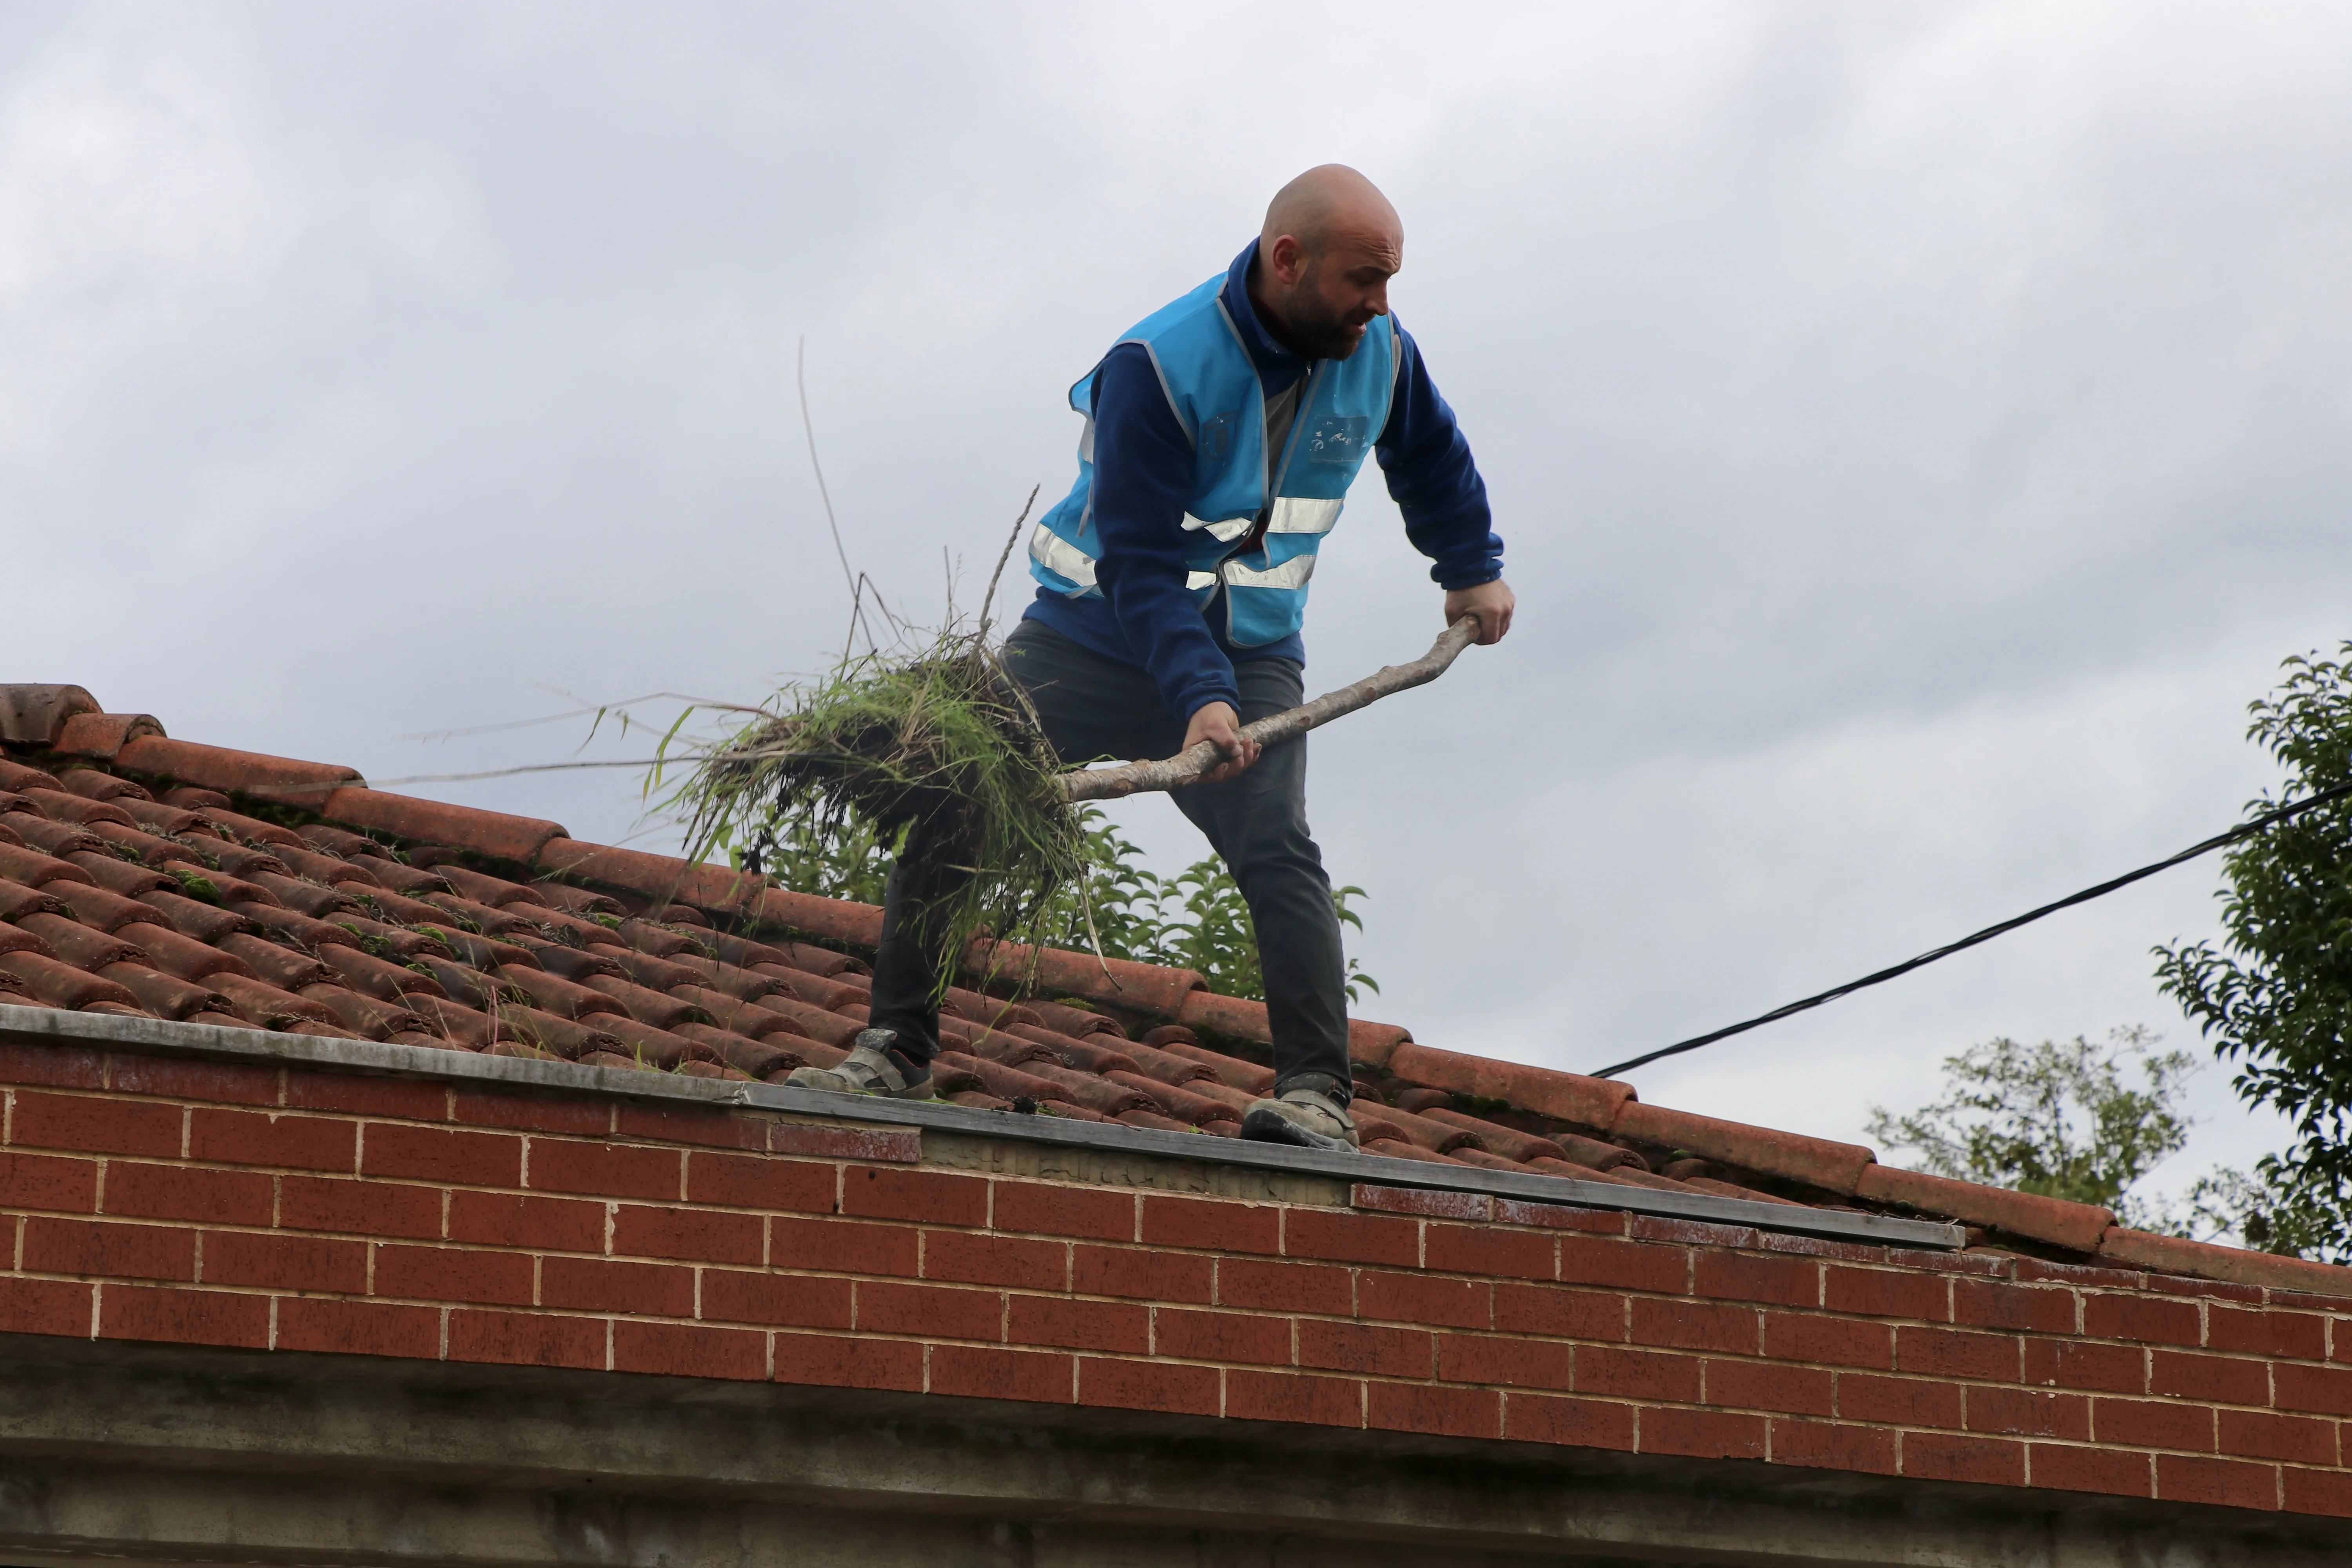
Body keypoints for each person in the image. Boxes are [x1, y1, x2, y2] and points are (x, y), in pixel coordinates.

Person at [787, 165, 1512, 1152]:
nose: (1380, 304)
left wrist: (1469, 566)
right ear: (1287, 259)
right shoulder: (1158, 364)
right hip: (1091, 637)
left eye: (1390, 280)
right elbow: (1137, 560)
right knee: (960, 795)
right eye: (1364, 279)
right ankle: (894, 1049)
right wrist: (1199, 697)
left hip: (1251, 647)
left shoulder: (1381, 351)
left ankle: (1315, 1097)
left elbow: (1431, 456)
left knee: (1277, 846)